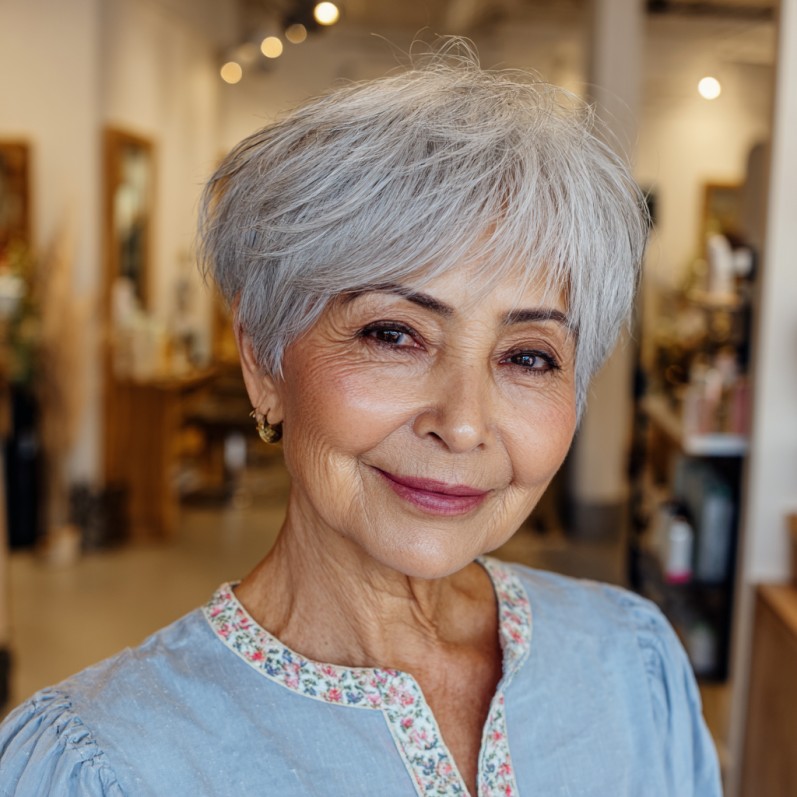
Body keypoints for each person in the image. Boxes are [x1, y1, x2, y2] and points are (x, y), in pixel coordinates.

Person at [0, 45, 722, 796]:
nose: (463, 424)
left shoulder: (630, 667)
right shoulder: (107, 767)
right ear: (263, 359)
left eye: (528, 356)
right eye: (394, 334)